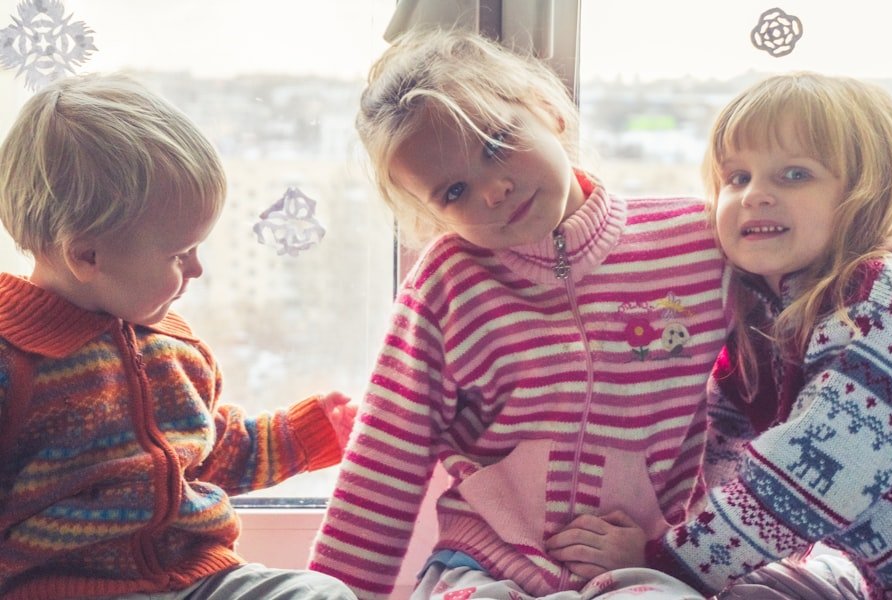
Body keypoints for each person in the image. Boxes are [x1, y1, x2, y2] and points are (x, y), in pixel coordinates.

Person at [308, 28, 733, 600]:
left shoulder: (699, 244)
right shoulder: (449, 284)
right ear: (431, 212)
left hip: (645, 564)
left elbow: (776, 384)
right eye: (454, 190)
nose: (493, 190)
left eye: (496, 142)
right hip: (481, 565)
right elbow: (385, 457)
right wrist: (337, 592)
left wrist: (680, 547)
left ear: (549, 111)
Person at [0, 73, 357, 600]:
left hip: (200, 580)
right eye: (177, 254)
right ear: (87, 256)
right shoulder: (16, 362)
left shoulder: (172, 347)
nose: (197, 269)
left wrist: (301, 435)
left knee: (321, 595)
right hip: (65, 589)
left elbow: (210, 450)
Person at [581, 72, 892, 599]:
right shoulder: (760, 328)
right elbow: (724, 461)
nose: (755, 196)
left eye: (795, 174)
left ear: (869, 194)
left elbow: (810, 472)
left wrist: (668, 557)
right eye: (737, 177)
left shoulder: (879, 300)